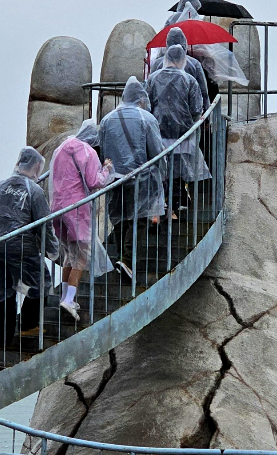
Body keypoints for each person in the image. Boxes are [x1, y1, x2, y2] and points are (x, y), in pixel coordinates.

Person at [0, 147, 59, 343]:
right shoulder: (34, 190)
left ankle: (3, 337)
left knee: (4, 291)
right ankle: (28, 325)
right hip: (22, 247)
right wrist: (51, 249)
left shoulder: (2, 185)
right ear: (36, 166)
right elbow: (44, 222)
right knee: (42, 282)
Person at [98, 77, 165, 278]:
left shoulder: (107, 119)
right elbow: (156, 151)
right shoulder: (147, 118)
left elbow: (103, 151)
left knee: (120, 219)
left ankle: (122, 259)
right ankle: (127, 261)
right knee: (138, 220)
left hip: (115, 179)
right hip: (141, 178)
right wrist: (164, 173)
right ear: (140, 98)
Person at [48, 120, 113, 321]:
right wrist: (106, 169)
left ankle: (66, 297)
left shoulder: (61, 149)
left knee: (69, 253)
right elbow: (95, 182)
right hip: (76, 209)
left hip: (58, 208)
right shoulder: (88, 152)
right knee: (81, 257)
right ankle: (68, 300)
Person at [145, 41, 209, 216]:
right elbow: (197, 108)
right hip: (184, 134)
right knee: (180, 169)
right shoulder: (189, 80)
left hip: (159, 133)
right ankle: (178, 202)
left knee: (163, 169)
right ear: (183, 60)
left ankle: (165, 204)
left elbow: (146, 105)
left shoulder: (153, 78)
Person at [148, 26, 211, 109]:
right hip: (186, 112)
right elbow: (203, 91)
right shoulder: (194, 64)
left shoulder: (158, 63)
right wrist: (206, 111)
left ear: (167, 43)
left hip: (161, 112)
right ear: (184, 42)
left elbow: (149, 90)